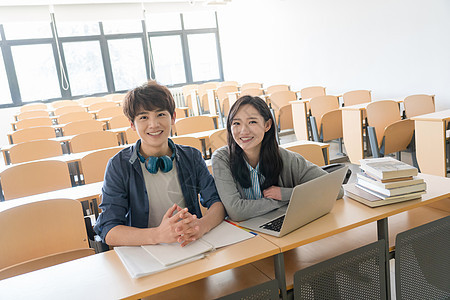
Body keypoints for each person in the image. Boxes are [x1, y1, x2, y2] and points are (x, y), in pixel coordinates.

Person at [94, 81, 225, 247]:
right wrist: (158, 235)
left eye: (161, 114)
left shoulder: (191, 156)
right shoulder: (118, 165)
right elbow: (109, 230)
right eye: (143, 117)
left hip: (189, 244)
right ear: (132, 124)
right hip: (144, 251)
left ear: (173, 117)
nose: (154, 124)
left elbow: (216, 202)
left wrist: (202, 226)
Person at [211, 95, 343, 222]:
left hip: (281, 227)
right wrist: (287, 199)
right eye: (236, 123)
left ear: (267, 125)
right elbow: (237, 212)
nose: (243, 131)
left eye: (252, 122)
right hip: (241, 234)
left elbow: (336, 190)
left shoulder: (287, 158)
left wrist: (285, 194)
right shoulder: (222, 159)